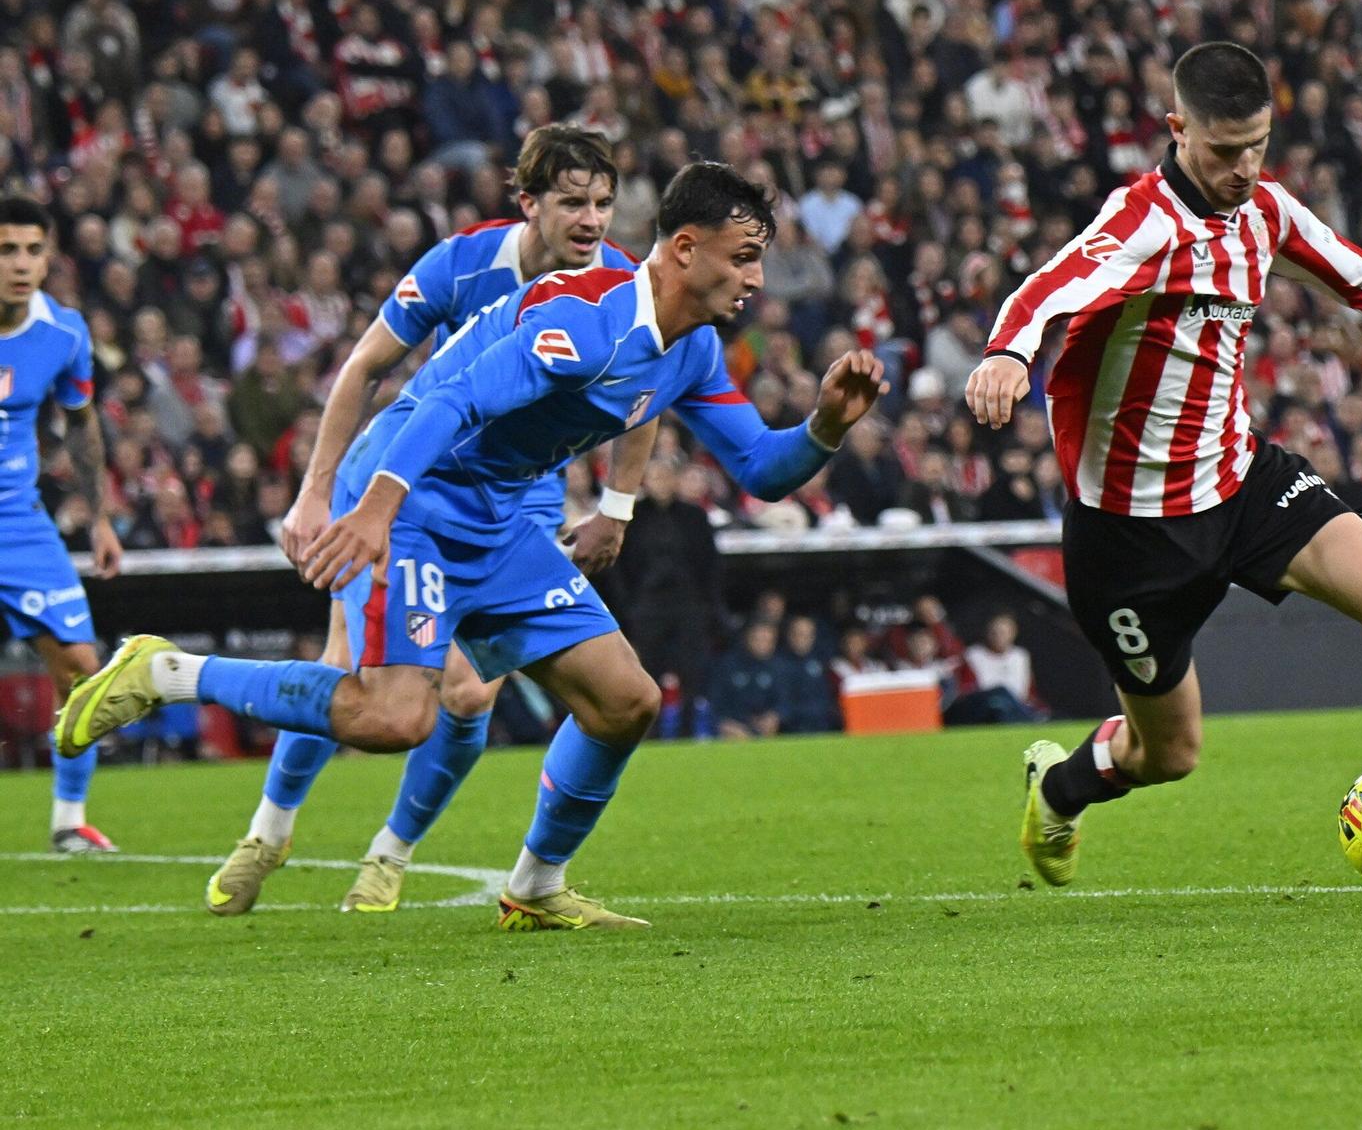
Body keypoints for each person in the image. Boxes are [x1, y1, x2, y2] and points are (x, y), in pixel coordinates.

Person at [58, 162, 887, 930]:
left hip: (494, 516)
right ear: (683, 247)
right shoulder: (586, 322)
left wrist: (824, 426)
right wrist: (378, 507)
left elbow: (760, 467)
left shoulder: (692, 349)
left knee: (624, 700)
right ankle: (164, 671)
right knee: (393, 715)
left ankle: (533, 885)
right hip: (415, 495)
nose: (756, 280)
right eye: (744, 258)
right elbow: (450, 399)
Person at [964, 42, 1362, 888]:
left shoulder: (1268, 212)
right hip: (1129, 536)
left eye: (1257, 146)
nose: (1244, 169)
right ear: (1177, 130)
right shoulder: (1143, 223)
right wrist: (1006, 355)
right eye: (1223, 151)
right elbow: (1046, 286)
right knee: (1167, 752)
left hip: (1241, 481)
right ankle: (1061, 788)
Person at [200, 125, 654, 918]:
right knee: (354, 670)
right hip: (408, 483)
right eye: (573, 202)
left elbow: (650, 388)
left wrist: (617, 501)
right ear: (530, 204)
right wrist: (313, 494)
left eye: (603, 203)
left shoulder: (621, 283)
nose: (591, 220)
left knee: (470, 697)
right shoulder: (460, 263)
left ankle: (389, 855)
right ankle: (268, 833)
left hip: (520, 501)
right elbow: (364, 368)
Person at [0, 196, 124, 853]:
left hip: (16, 522)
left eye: (31, 249)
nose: (20, 264)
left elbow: (81, 425)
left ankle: (69, 820)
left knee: (82, 666)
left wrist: (100, 518)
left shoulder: (65, 333)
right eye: (5, 250)